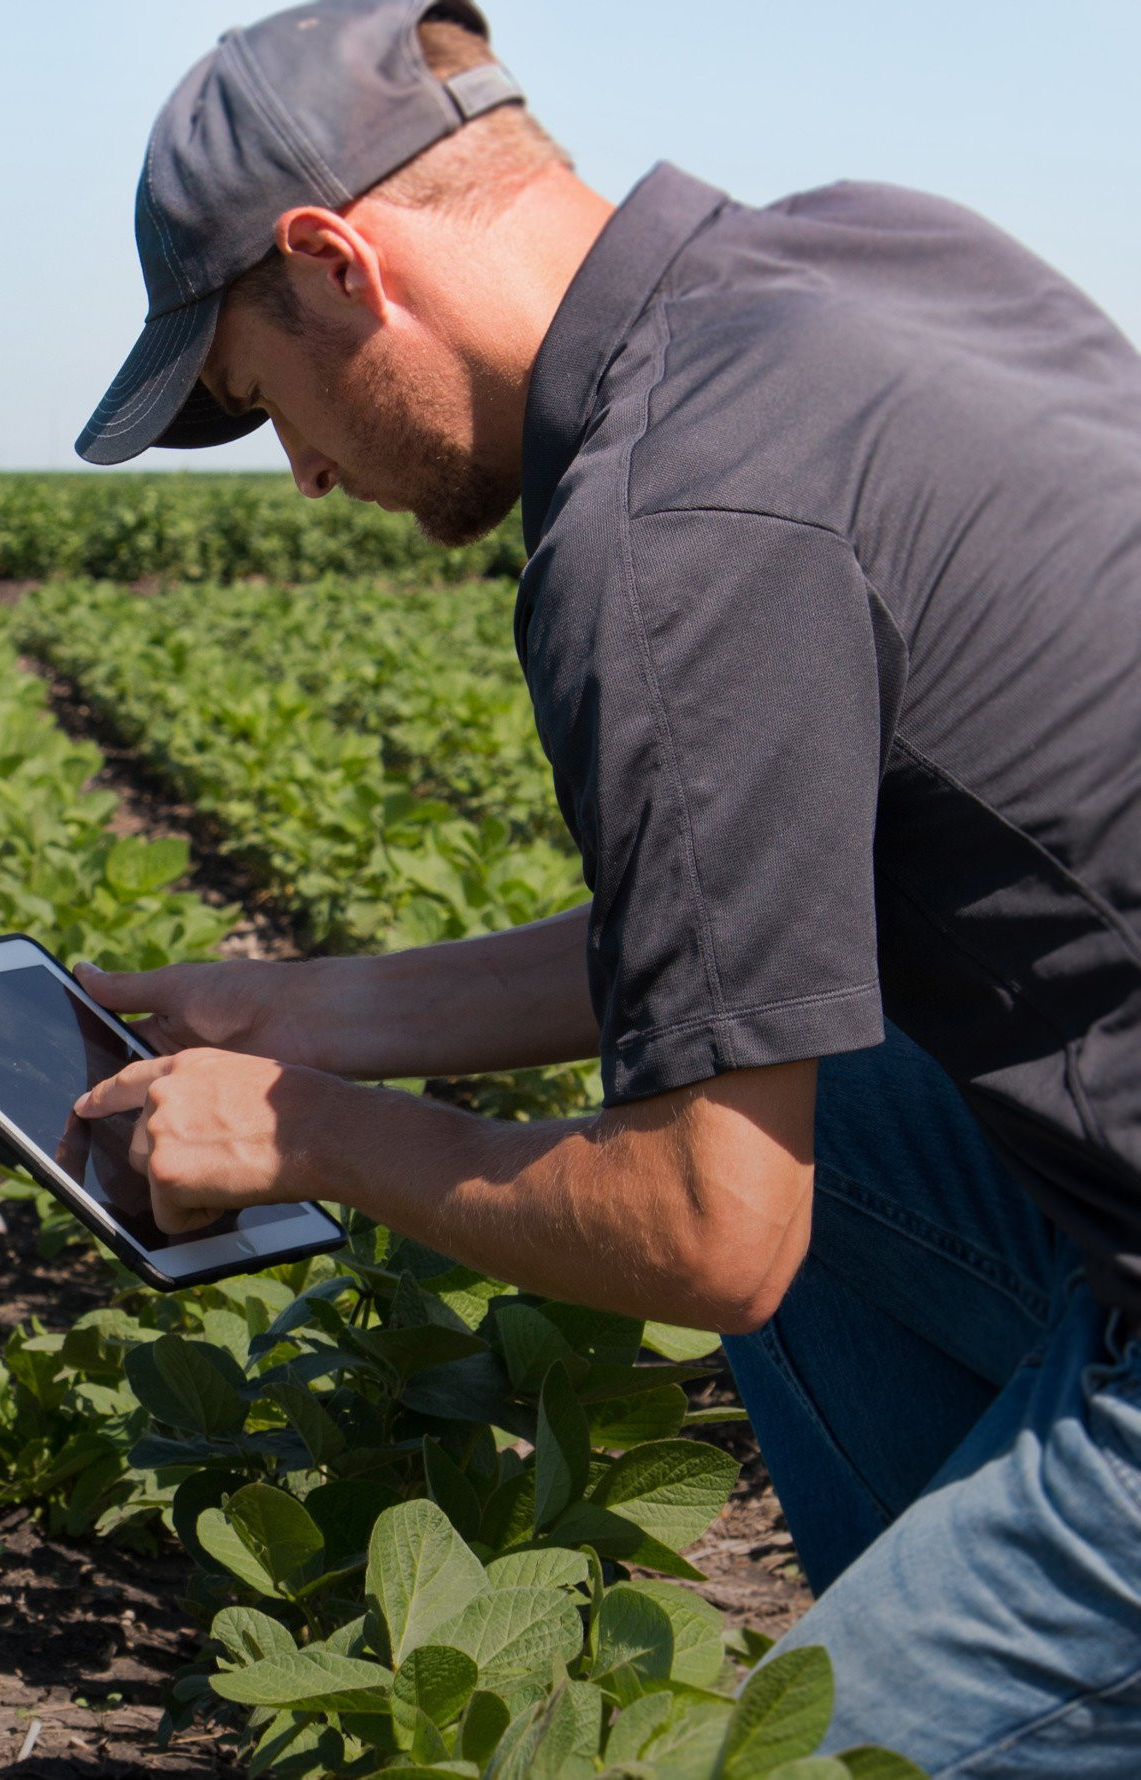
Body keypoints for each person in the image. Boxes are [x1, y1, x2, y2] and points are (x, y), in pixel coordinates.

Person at [59, 1, 1141, 1769]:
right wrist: (312, 1009)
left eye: (273, 406)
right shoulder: (882, 256)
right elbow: (748, 941)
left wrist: (313, 1131)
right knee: (833, 1091)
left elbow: (712, 1236)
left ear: (338, 262)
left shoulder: (664, 527)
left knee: (773, 1759)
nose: (313, 471)